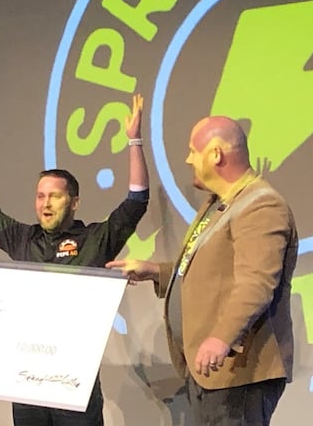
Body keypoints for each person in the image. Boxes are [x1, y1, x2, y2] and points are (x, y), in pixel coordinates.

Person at [0, 94, 149, 426]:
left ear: (74, 202)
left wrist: (134, 141)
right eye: (40, 195)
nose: (45, 203)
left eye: (55, 196)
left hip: (75, 379)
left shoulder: (94, 240)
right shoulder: (24, 239)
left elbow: (135, 202)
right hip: (27, 378)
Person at [106, 116, 298, 425]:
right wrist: (155, 271)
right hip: (212, 372)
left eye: (193, 151)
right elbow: (209, 273)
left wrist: (221, 338)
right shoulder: (217, 204)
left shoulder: (261, 206)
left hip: (239, 373)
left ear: (216, 154)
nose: (187, 159)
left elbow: (256, 283)